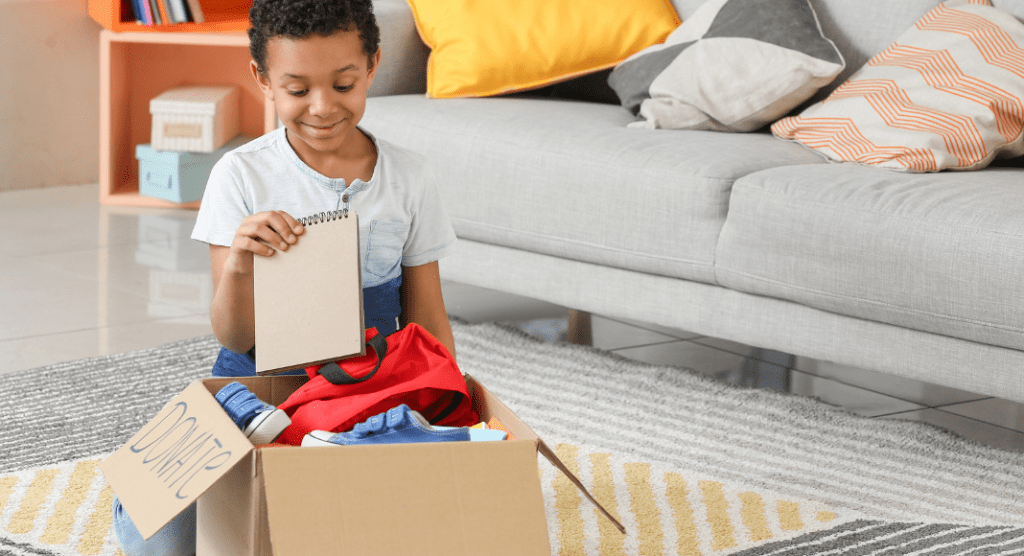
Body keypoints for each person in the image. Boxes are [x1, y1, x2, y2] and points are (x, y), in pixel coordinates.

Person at [112, 0, 457, 553]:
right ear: (262, 80)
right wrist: (243, 264)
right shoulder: (241, 174)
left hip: (363, 385)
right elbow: (233, 337)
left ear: (372, 66)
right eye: (297, 91)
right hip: (254, 384)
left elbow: (428, 318)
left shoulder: (410, 177)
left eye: (344, 85)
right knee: (162, 526)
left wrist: (450, 401)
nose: (322, 108)